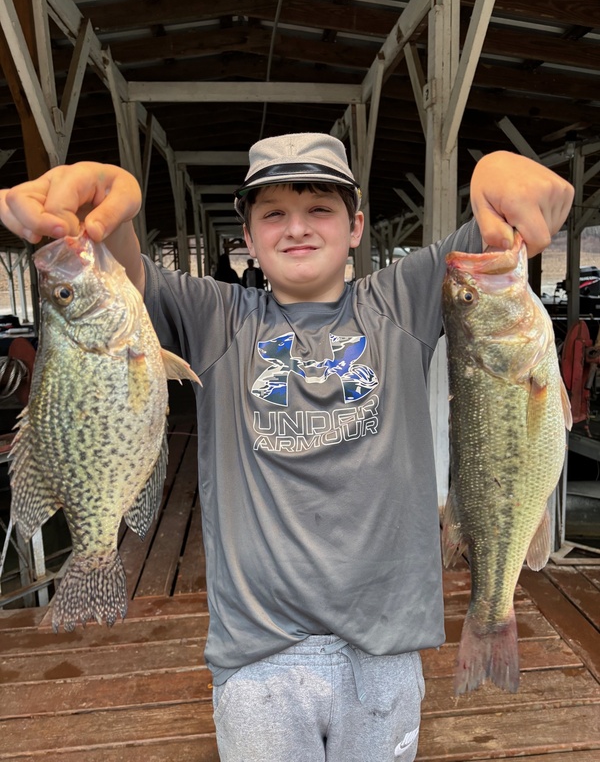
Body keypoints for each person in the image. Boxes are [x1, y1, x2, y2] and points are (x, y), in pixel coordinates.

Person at [0, 133, 573, 762]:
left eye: (319, 209)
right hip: (257, 660)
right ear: (246, 236)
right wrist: (115, 206)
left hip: (384, 651)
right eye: (273, 213)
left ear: (356, 227)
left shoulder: (403, 301)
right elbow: (117, 275)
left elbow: (524, 204)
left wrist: (496, 171)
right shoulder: (218, 317)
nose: (297, 227)